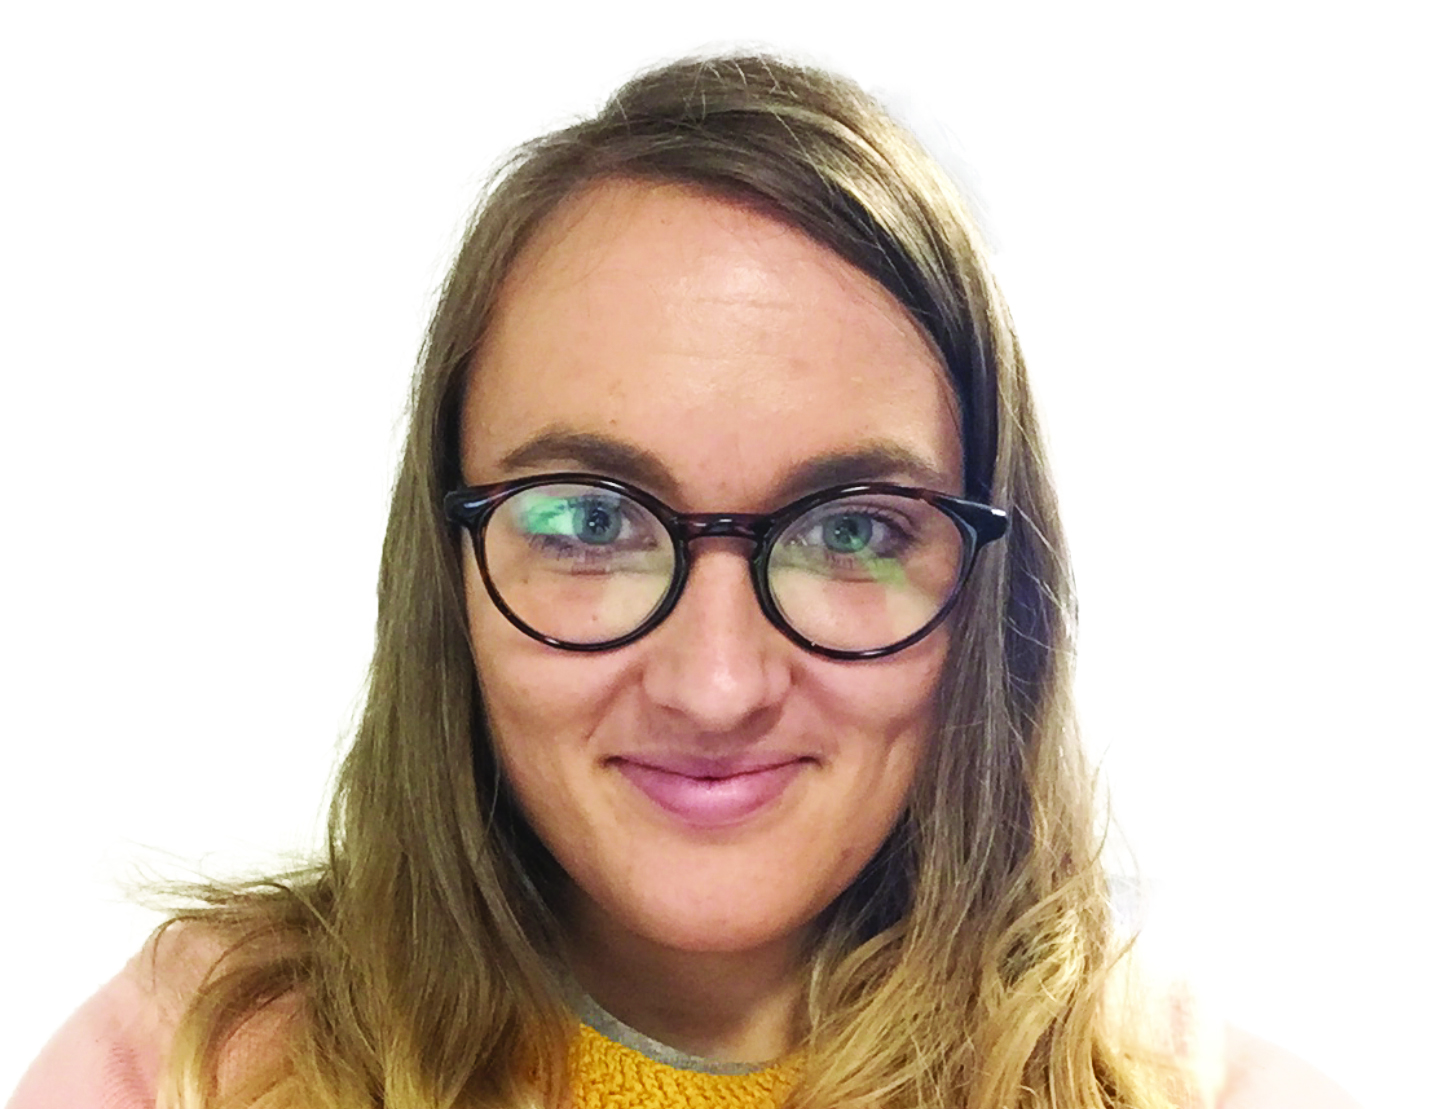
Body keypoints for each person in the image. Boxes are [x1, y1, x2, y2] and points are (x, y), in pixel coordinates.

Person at [8, 53, 1356, 1109]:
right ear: (448, 573)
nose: (717, 687)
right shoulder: (195, 1066)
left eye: (854, 531)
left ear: (998, 590)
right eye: (589, 520)